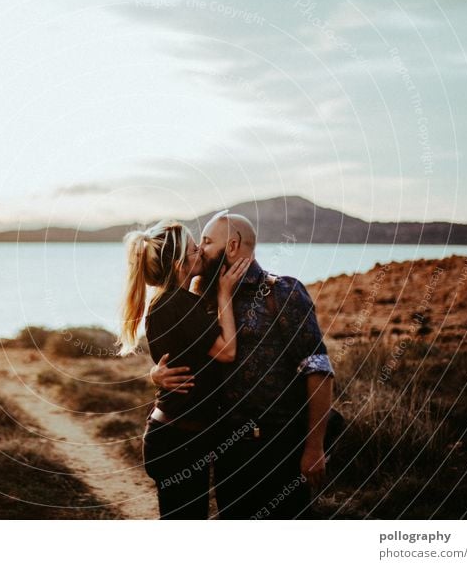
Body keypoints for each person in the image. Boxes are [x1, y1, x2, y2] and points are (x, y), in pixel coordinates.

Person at [151, 211, 335, 519]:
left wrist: (314, 447)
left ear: (233, 246)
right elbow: (182, 353)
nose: (201, 250)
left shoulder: (283, 292)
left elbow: (318, 370)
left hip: (279, 446)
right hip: (227, 449)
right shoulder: (204, 295)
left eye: (207, 242)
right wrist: (155, 373)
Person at [117, 220, 251, 519]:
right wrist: (226, 293)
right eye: (194, 249)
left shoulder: (170, 302)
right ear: (180, 264)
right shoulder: (176, 305)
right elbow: (227, 351)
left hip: (178, 438)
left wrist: (154, 374)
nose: (201, 252)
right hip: (178, 442)